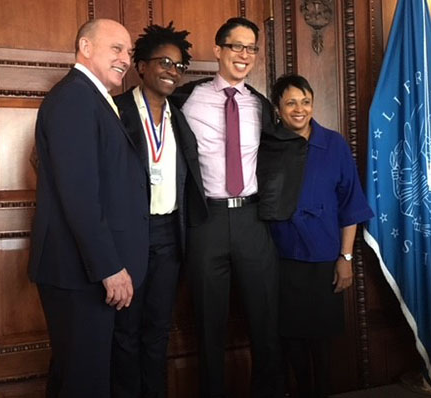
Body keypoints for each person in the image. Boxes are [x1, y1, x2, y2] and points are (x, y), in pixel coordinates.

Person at [171, 17, 307, 398]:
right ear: (218, 50)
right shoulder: (184, 100)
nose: (245, 55)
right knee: (208, 325)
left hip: (252, 221)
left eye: (251, 49)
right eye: (237, 47)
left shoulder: (261, 106)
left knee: (265, 324)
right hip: (206, 222)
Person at [28, 19, 150, 398]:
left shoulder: (91, 97)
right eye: (116, 48)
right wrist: (109, 267)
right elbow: (79, 194)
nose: (125, 59)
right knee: (84, 383)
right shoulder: (74, 99)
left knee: (76, 379)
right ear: (85, 46)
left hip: (84, 272)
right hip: (78, 273)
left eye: (128, 52)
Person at [111, 22, 206, 398]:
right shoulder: (115, 112)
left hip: (169, 237)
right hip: (128, 237)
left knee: (157, 331)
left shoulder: (180, 118)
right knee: (125, 332)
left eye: (179, 65)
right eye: (164, 62)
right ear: (141, 67)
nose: (172, 70)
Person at [269, 74, 374, 398]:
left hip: (324, 258)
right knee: (290, 341)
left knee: (322, 344)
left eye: (305, 102)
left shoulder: (334, 144)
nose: (299, 109)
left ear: (313, 104)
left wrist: (345, 258)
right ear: (278, 108)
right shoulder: (268, 146)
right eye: (290, 102)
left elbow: (351, 205)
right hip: (281, 260)